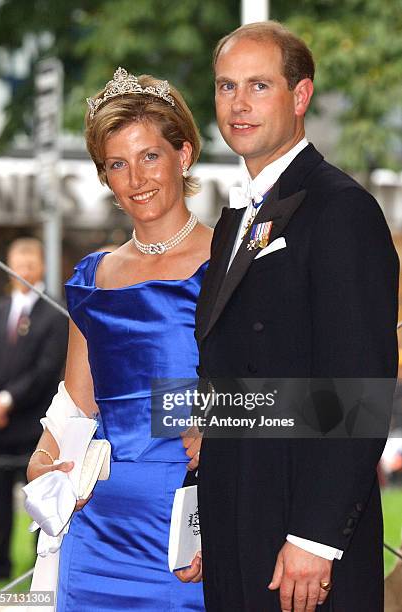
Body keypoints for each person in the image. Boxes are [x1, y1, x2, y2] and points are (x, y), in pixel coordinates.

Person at [193, 21, 399, 611]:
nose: (238, 104)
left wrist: (314, 538)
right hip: (236, 515)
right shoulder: (234, 222)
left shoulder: (342, 210)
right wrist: (208, 512)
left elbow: (359, 387)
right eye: (226, 86)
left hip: (303, 538)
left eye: (258, 86)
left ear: (301, 96)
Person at [26, 67, 210, 611]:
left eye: (150, 155)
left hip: (190, 520)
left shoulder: (232, 260)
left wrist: (215, 417)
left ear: (184, 154)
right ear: (104, 177)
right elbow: (77, 403)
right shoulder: (91, 275)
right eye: (117, 164)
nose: (136, 178)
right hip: (95, 525)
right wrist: (44, 456)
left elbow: (305, 399)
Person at [0, 238, 68, 580]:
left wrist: (6, 400)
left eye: (29, 261)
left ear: (40, 264)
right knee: (0, 503)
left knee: (37, 501)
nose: (23, 268)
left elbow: (46, 368)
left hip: (34, 425)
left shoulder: (54, 311)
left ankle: (39, 569)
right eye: (17, 261)